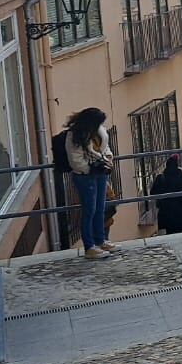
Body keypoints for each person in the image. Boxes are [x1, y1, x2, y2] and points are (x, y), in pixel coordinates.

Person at [63, 107, 115, 260]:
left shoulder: (99, 131)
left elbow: (105, 147)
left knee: (100, 208)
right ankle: (89, 246)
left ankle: (100, 241)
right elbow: (75, 160)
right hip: (85, 177)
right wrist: (91, 169)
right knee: (89, 211)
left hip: (100, 173)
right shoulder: (75, 136)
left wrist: (108, 159)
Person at [150, 155, 182, 235]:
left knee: (169, 234)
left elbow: (152, 193)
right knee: (180, 233)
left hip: (165, 211)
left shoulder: (161, 177)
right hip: (180, 210)